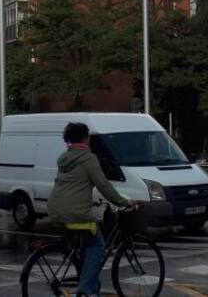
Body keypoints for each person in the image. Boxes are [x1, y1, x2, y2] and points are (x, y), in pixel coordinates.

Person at [46, 122, 132, 297]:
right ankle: (85, 289)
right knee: (98, 245)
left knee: (85, 245)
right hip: (75, 213)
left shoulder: (65, 158)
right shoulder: (88, 158)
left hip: (55, 209)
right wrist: (124, 202)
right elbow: (103, 185)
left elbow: (72, 188)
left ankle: (90, 283)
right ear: (86, 138)